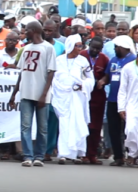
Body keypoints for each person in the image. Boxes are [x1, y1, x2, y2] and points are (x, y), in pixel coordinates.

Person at [9, 21, 56, 167]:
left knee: (42, 128)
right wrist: (14, 93)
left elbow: (51, 73)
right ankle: (28, 156)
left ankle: (39, 156)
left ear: (35, 31)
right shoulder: (26, 48)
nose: (24, 33)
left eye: (27, 30)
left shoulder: (48, 48)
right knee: (25, 126)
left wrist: (44, 94)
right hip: (26, 94)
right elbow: (21, 73)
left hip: (41, 94)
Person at [52, 34, 94, 165]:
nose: (80, 48)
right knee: (64, 124)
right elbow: (53, 78)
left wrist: (83, 85)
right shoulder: (58, 60)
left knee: (78, 122)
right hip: (62, 97)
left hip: (78, 96)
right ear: (70, 45)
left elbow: (90, 78)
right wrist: (61, 87)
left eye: (81, 45)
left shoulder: (83, 61)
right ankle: (63, 153)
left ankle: (77, 153)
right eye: (78, 45)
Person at [98, 35, 137, 166]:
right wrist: (103, 81)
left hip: (129, 102)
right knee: (113, 130)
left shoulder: (133, 60)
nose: (115, 49)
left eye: (116, 47)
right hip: (113, 99)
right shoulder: (113, 60)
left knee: (129, 130)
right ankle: (118, 157)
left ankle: (131, 155)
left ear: (123, 47)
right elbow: (108, 76)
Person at [80, 36, 109, 165]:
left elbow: (108, 75)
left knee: (95, 127)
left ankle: (92, 155)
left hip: (98, 96)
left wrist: (103, 81)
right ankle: (82, 154)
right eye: (93, 48)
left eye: (98, 49)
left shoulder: (104, 59)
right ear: (89, 46)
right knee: (83, 124)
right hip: (82, 95)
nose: (95, 51)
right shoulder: (81, 56)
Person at [42, 19, 65, 161]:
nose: (48, 33)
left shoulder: (61, 47)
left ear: (56, 29)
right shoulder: (37, 45)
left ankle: (48, 150)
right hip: (39, 85)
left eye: (50, 30)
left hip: (56, 87)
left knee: (52, 119)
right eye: (45, 30)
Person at [117, 54, 138, 166]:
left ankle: (133, 155)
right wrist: (121, 107)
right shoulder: (128, 68)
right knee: (130, 129)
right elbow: (123, 89)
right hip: (132, 104)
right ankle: (133, 152)